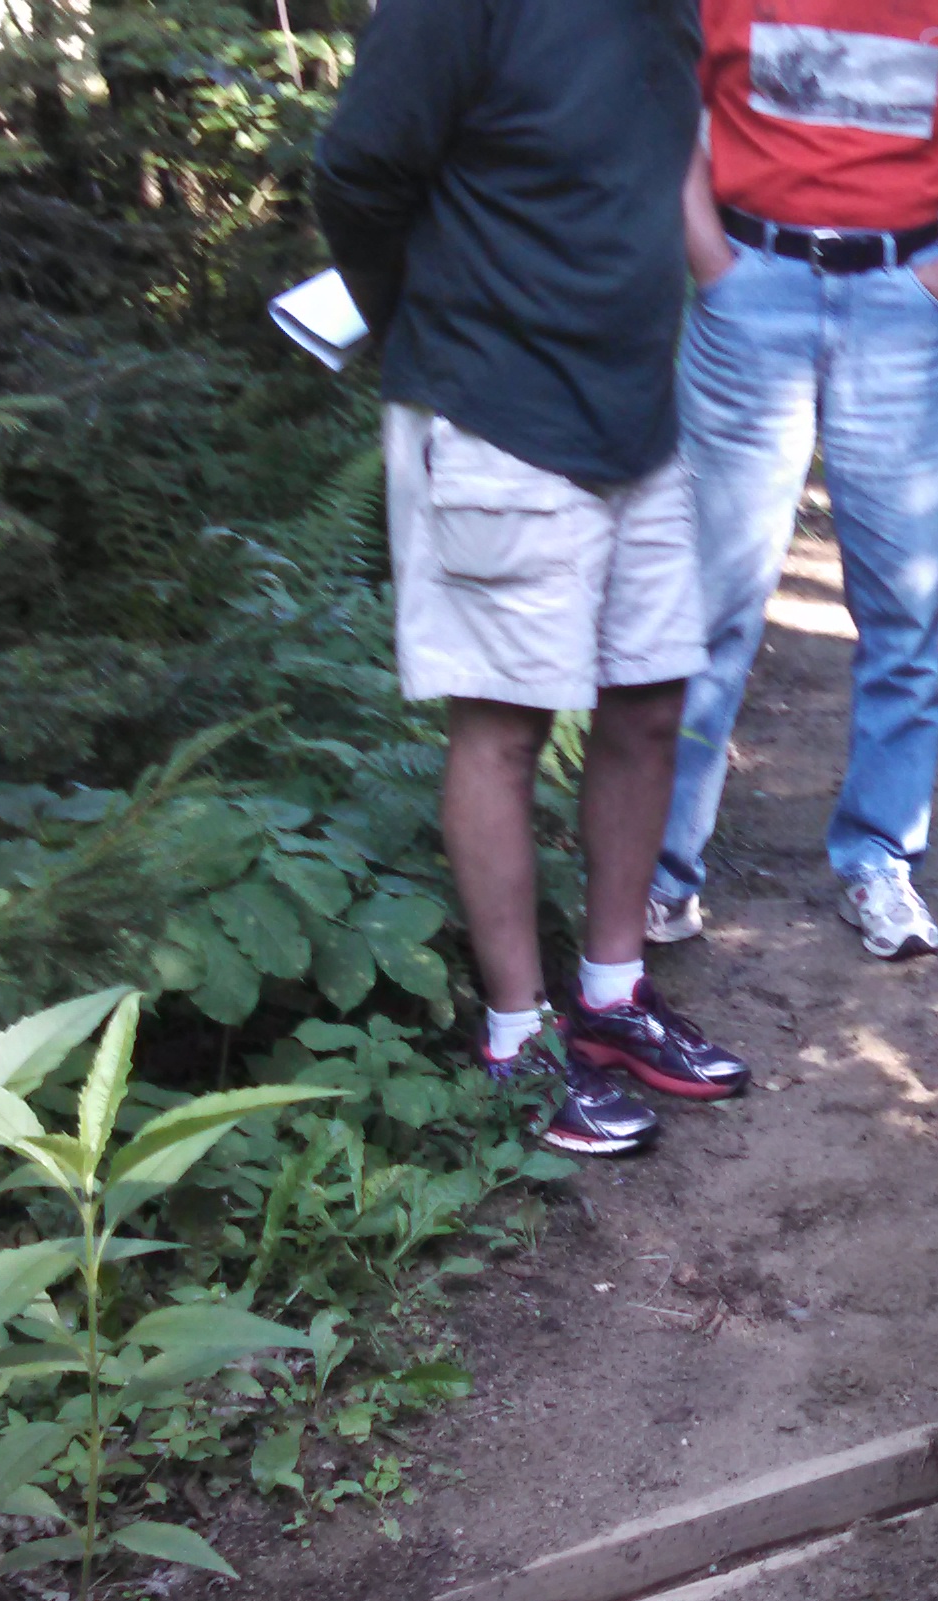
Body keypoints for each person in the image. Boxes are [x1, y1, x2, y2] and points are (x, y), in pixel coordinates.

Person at [314, 0, 750, 1159]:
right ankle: (518, 1040)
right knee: (504, 728)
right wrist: (437, 325)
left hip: (636, 414)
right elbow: (358, 171)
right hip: (495, 408)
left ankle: (610, 1000)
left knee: (651, 700)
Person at [647, 0, 938, 963]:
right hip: (752, 289)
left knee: (904, 607)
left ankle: (879, 857)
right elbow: (671, 111)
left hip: (903, 299)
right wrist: (708, 254)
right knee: (710, 602)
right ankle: (664, 871)